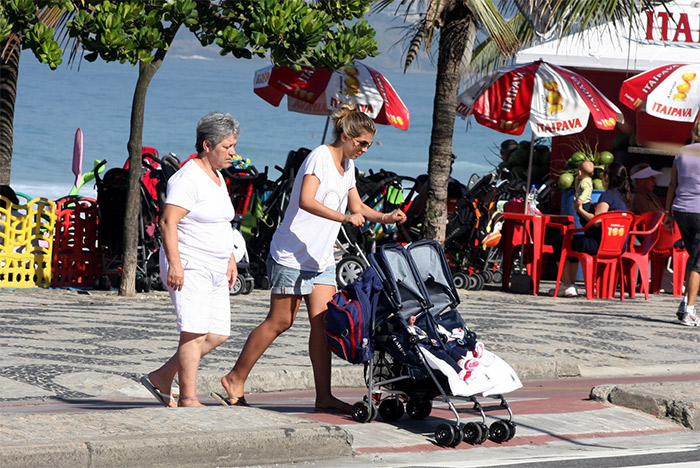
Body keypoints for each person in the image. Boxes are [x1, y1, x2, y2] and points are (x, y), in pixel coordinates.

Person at [215, 104, 407, 412]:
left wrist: (386, 217)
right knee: (280, 321)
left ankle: (323, 396)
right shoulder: (320, 156)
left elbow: (357, 206)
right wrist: (343, 219)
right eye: (361, 143)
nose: (364, 150)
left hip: (320, 259)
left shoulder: (348, 167)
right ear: (345, 136)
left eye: (368, 145)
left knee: (324, 324)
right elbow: (306, 200)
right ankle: (234, 378)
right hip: (291, 254)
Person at [140, 111, 240, 407]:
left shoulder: (218, 177)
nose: (233, 152)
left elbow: (221, 221)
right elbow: (168, 222)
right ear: (207, 145)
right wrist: (176, 264)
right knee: (194, 331)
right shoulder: (187, 177)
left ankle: (160, 378)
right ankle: (188, 397)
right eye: (227, 146)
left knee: (218, 333)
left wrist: (230, 257)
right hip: (190, 263)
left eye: (233, 145)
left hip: (217, 264)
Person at [549, 162, 631, 297]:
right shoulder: (624, 197)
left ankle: (567, 285)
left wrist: (579, 209)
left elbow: (597, 221)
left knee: (560, 241)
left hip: (599, 245)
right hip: (618, 247)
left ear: (607, 177)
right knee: (573, 241)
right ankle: (568, 285)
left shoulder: (607, 196)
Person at [666, 140, 700, 326]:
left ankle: (685, 302)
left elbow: (672, 184)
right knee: (697, 263)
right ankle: (690, 311)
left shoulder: (682, 152)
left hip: (681, 210)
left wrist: (667, 212)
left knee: (694, 256)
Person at [574, 160, 595, 226]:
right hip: (584, 202)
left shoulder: (585, 182)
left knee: (584, 220)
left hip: (585, 203)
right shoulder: (585, 180)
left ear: (579, 172)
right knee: (583, 219)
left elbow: (586, 191)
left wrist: (580, 199)